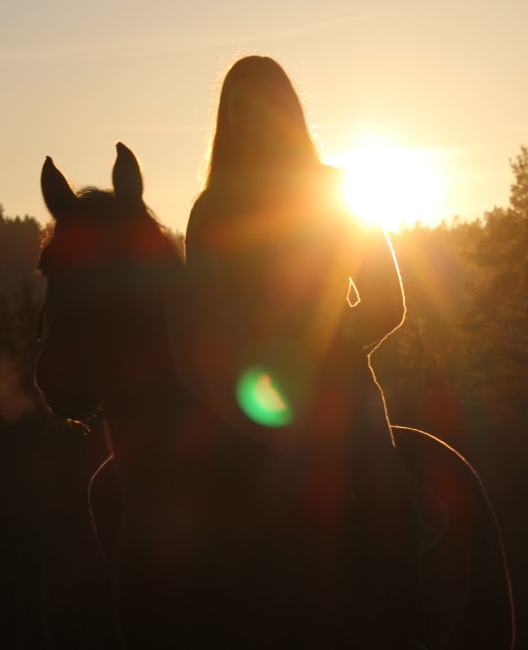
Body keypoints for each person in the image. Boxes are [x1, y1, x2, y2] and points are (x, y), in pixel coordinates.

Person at [169, 55, 423, 645]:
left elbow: (387, 302)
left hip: (342, 399)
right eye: (240, 112)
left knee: (391, 508)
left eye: (263, 110)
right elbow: (203, 321)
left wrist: (325, 349)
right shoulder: (209, 212)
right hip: (241, 407)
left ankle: (408, 630)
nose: (252, 123)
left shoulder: (336, 192)